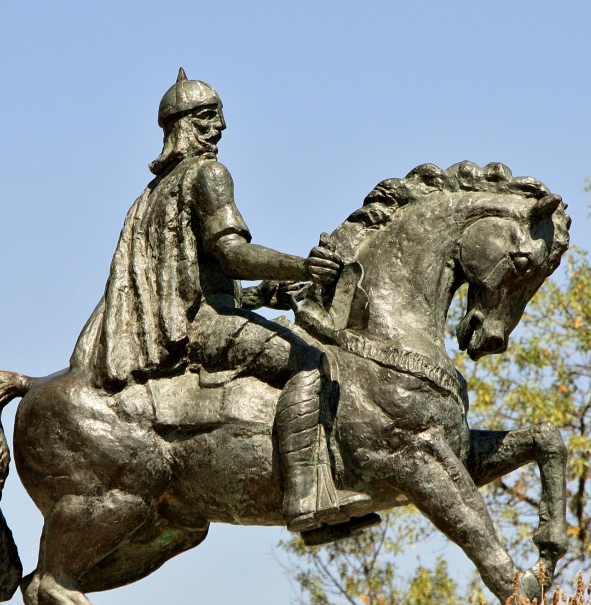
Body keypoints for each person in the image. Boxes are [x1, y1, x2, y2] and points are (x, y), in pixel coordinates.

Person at [71, 69, 369, 533]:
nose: (221, 127)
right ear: (185, 123)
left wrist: (263, 294)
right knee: (311, 359)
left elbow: (195, 280)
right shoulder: (208, 175)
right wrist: (302, 267)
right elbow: (230, 254)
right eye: (209, 117)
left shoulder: (149, 195)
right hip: (203, 327)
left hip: (198, 318)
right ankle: (307, 497)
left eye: (220, 116)